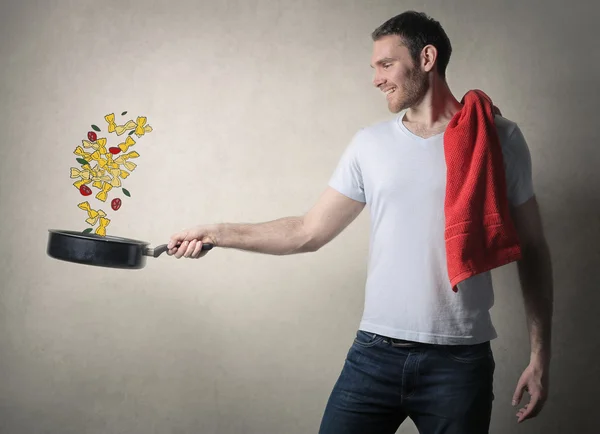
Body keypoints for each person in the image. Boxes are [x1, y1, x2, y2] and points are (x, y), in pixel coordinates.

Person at [167, 11, 554, 434]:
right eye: (374, 68)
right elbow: (306, 232)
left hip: (459, 362)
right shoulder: (370, 145)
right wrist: (217, 233)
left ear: (427, 58)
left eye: (386, 64)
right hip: (374, 355)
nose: (376, 78)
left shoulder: (497, 138)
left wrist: (540, 358)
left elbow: (532, 248)